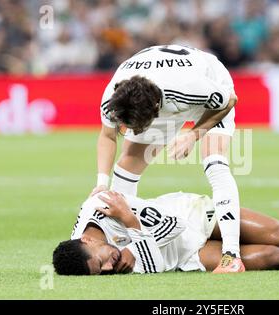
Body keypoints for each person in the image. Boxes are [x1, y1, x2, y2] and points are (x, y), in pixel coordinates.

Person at [91, 44, 243, 273]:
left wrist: (193, 135)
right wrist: (101, 182)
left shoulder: (191, 88)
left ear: (154, 110)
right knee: (125, 168)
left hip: (207, 90)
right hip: (157, 93)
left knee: (214, 161)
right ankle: (123, 247)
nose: (127, 130)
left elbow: (230, 100)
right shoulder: (114, 98)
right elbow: (108, 135)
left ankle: (231, 257)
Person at [53, 191, 279, 275]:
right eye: (101, 274)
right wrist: (138, 236)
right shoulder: (92, 257)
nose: (109, 267)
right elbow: (153, 256)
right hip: (182, 255)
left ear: (88, 240)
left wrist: (132, 225)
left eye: (102, 260)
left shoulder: (106, 204)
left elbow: (173, 226)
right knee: (268, 258)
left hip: (193, 216)